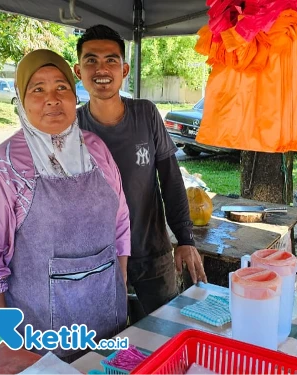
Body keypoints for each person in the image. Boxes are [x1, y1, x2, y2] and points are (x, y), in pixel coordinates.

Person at [0, 49, 130, 361]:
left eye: (61, 87)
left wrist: (118, 284)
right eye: (37, 89)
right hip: (40, 347)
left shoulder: (96, 149)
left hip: (109, 328)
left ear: (73, 93)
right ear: (21, 99)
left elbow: (120, 223)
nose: (52, 99)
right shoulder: (4, 168)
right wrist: (7, 351)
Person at [74, 25, 207, 318]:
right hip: (98, 259)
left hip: (152, 252)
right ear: (77, 70)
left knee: (165, 331)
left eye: (110, 60)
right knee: (106, 341)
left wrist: (185, 239)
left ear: (124, 69)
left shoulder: (146, 113)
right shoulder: (72, 127)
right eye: (91, 60)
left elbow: (171, 179)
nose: (101, 69)